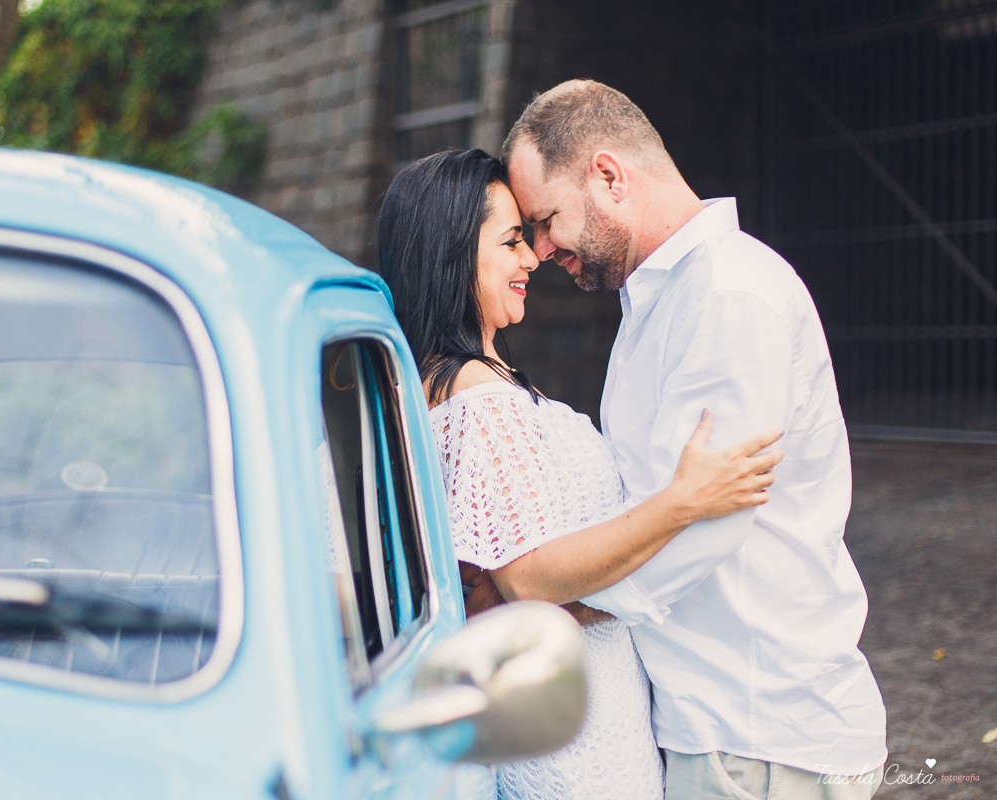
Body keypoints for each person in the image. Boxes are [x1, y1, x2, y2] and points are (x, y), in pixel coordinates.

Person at [499, 80, 887, 799]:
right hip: (723, 725)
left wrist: (541, 598)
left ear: (609, 176)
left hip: (757, 734)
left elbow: (700, 532)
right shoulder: (662, 298)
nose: (544, 249)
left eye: (548, 220)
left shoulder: (726, 296)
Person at [377, 147, 783, 800]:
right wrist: (683, 501)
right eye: (511, 242)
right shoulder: (479, 397)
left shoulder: (437, 385)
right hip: (581, 738)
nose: (532, 258)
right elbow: (529, 575)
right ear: (453, 253)